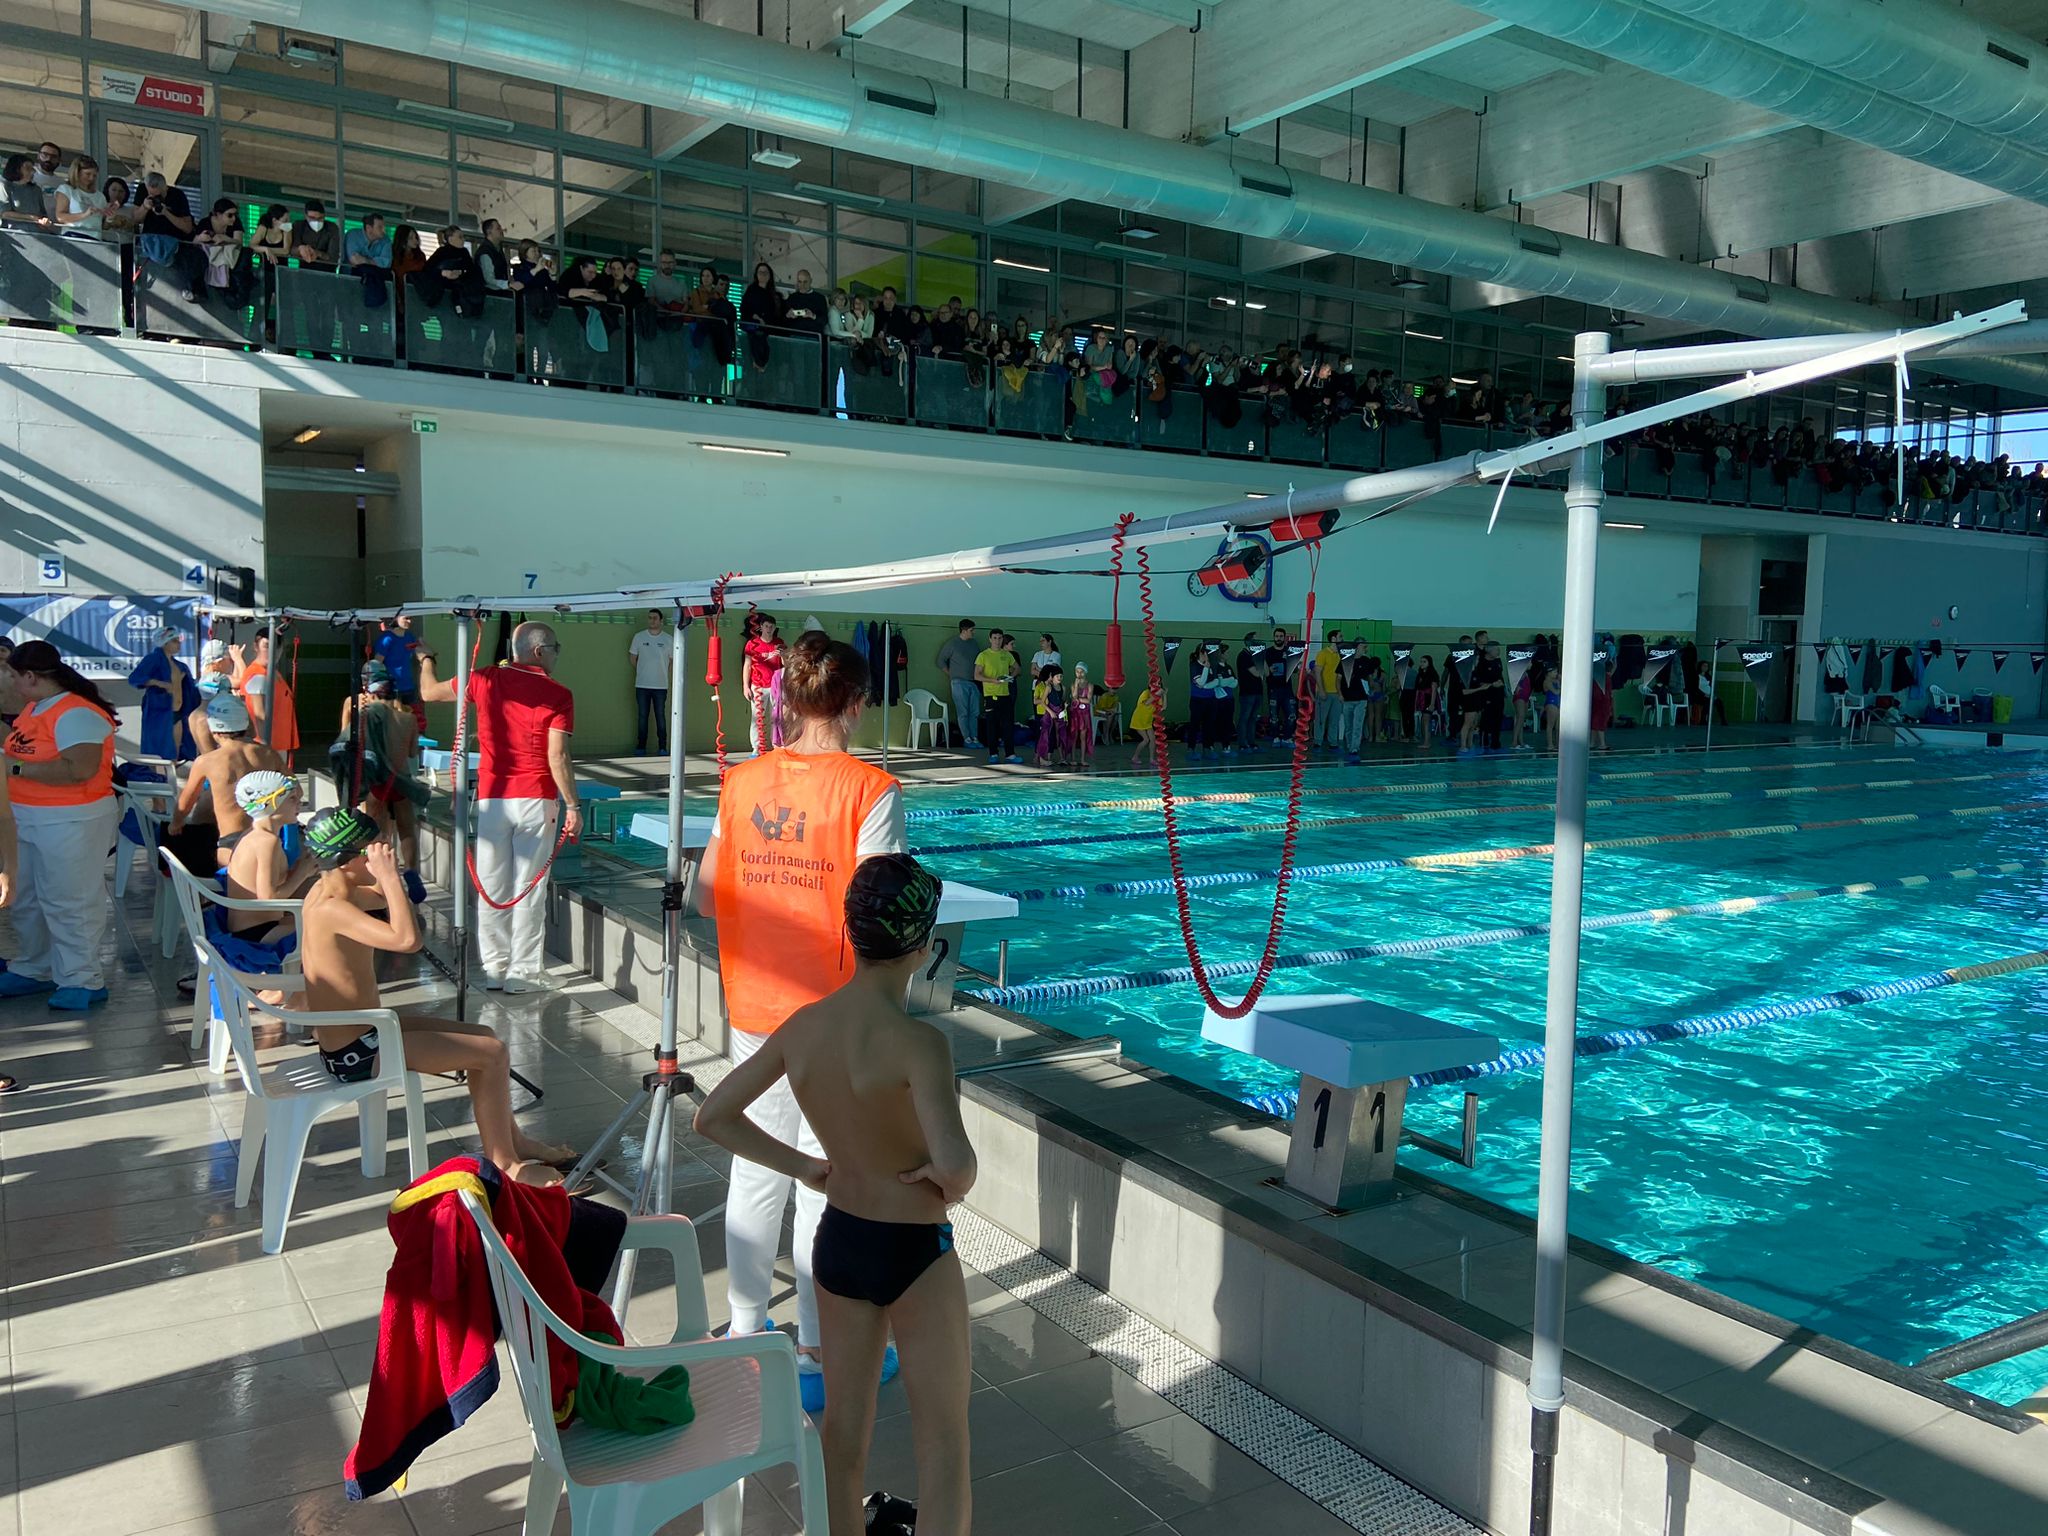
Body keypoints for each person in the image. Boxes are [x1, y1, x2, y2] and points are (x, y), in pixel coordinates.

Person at [695, 854, 974, 1536]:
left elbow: (714, 1117)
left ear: (849, 932)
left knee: (843, 1435)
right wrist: (943, 1180)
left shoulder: (804, 1026)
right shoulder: (920, 1045)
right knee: (943, 1445)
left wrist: (805, 1167)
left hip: (841, 1239)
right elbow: (956, 1167)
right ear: (922, 946)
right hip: (915, 1250)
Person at [693, 631, 908, 1413]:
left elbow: (706, 892)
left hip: (755, 1004)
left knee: (758, 1167)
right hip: (832, 1015)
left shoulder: (741, 782)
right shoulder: (870, 789)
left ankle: (746, 1328)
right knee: (825, 1172)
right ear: (856, 704)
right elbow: (877, 913)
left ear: (786, 697)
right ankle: (819, 1346)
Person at [297, 808, 573, 1183]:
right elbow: (407, 940)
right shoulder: (332, 908)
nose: (384, 852)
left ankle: (516, 1143)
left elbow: (380, 898)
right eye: (374, 849)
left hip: (365, 1035)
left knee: (486, 1037)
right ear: (348, 862)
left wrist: (386, 878)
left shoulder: (329, 890)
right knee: (490, 1055)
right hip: (357, 1054)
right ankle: (506, 1164)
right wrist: (389, 876)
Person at [418, 621, 579, 991]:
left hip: (493, 798)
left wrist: (426, 659)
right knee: (528, 888)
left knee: (492, 884)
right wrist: (573, 805)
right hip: (536, 798)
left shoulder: (483, 679)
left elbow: (428, 692)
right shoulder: (558, 694)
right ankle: (523, 974)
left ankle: (494, 968)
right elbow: (557, 756)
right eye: (555, 648)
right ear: (539, 651)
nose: (556, 655)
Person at [0, 640, 119, 1009]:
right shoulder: (36, 707)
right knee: (27, 899)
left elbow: (78, 769)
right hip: (29, 817)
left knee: (70, 901)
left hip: (72, 820)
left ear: (30, 676)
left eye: (12, 675)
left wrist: (12, 767)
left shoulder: (76, 713)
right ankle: (35, 967)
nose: (9, 682)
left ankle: (82, 979)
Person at [335, 661, 428, 904]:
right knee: (407, 830)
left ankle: (382, 878)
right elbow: (412, 752)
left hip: (375, 778)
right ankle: (411, 872)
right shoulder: (407, 716)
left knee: (378, 831)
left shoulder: (358, 708)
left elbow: (345, 738)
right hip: (401, 779)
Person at [168, 691, 288, 874]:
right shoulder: (268, 754)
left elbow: (185, 803)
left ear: (213, 730)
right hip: (268, 838)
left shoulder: (207, 761)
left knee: (229, 886)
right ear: (246, 724)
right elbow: (296, 790)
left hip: (232, 843)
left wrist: (175, 823)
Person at [220, 770, 317, 942]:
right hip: (257, 933)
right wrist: (302, 873)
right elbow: (269, 899)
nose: (299, 803)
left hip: (251, 926)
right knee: (330, 926)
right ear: (270, 804)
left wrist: (302, 868)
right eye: (292, 798)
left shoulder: (251, 834)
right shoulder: (267, 842)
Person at [126, 626, 199, 761]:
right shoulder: (153, 659)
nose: (179, 644)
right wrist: (158, 683)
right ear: (164, 643)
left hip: (178, 712)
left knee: (175, 753)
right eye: (174, 641)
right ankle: (156, 773)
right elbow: (135, 678)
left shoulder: (179, 665)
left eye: (179, 640)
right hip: (160, 712)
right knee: (158, 753)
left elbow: (190, 689)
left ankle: (172, 772)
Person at [234, 630, 301, 762]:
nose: (272, 651)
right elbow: (259, 715)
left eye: (276, 647)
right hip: (267, 746)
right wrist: (265, 749)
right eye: (266, 646)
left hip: (278, 743)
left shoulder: (272, 672)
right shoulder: (258, 675)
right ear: (255, 646)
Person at [621, 608, 674, 756]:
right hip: (642, 685)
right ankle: (641, 747)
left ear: (661, 621)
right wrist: (643, 670)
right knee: (642, 716)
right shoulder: (639, 637)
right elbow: (633, 658)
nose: (652, 620)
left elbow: (671, 661)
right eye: (650, 618)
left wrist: (662, 672)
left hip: (661, 686)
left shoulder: (669, 639)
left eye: (655, 618)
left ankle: (662, 747)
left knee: (660, 716)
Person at [975, 630, 1022, 765]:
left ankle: (1010, 754)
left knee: (1008, 725)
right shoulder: (983, 655)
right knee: (992, 726)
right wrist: (992, 681)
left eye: (1000, 638)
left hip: (1005, 695)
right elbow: (977, 675)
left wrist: (1010, 677)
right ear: (990, 639)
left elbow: (1017, 668)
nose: (997, 640)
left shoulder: (1006, 654)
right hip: (991, 695)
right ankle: (993, 753)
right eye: (995, 638)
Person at [934, 620, 981, 753]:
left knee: (974, 712)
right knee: (963, 712)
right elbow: (940, 660)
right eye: (971, 630)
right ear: (964, 630)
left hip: (974, 681)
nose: (973, 632)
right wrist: (951, 674)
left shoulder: (974, 643)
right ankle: (966, 738)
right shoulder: (953, 643)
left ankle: (975, 737)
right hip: (959, 682)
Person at [742, 614, 785, 757]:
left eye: (771, 627)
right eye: (766, 626)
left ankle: (777, 745)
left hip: (775, 685)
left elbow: (785, 665)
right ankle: (756, 748)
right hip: (758, 685)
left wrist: (783, 655)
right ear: (761, 627)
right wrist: (746, 686)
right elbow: (747, 665)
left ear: (775, 628)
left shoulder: (779, 643)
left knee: (777, 717)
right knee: (757, 718)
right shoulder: (752, 643)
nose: (769, 629)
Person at [374, 614, 425, 729]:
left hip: (408, 686)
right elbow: (377, 663)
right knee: (393, 720)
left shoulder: (409, 637)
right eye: (406, 618)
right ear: (396, 619)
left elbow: (418, 653)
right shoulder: (387, 639)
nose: (409, 621)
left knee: (411, 719)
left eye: (410, 618)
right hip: (391, 688)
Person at [50, 156, 106, 236]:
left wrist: (110, 218)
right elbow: (60, 217)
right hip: (73, 235)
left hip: (95, 238)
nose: (91, 178)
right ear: (77, 173)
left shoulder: (100, 196)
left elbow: (102, 225)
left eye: (94, 175)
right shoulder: (66, 189)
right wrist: (84, 215)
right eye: (88, 174)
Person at [1312, 630, 1345, 751]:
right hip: (1324, 692)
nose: (1342, 638)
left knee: (1334, 720)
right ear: (1333, 639)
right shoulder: (1323, 653)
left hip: (1337, 693)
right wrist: (1321, 690)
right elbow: (1317, 672)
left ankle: (1333, 743)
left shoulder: (1342, 655)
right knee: (1321, 719)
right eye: (1340, 636)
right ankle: (1318, 742)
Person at [0, 153, 51, 230]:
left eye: (32, 168)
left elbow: (43, 213)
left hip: (37, 233)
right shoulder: (4, 186)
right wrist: (31, 218)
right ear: (16, 169)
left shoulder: (36, 190)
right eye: (28, 168)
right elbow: (4, 213)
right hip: (13, 233)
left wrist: (44, 220)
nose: (33, 172)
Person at [1032, 664, 1069, 769]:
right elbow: (1042, 702)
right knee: (1045, 735)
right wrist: (1051, 712)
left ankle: (1062, 758)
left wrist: (1065, 707)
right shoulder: (1047, 687)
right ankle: (1042, 758)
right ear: (1052, 677)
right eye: (1057, 676)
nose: (1060, 678)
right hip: (1049, 713)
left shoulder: (1063, 688)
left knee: (1061, 734)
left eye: (1061, 676)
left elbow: (1062, 701)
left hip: (1059, 713)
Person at [1068, 661, 1096, 767]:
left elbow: (1088, 700)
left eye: (1081, 672)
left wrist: (1077, 700)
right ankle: (1073, 759)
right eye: (1077, 671)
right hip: (1075, 714)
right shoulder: (1073, 685)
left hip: (1084, 714)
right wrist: (1076, 685)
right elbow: (1074, 696)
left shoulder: (1090, 685)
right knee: (1074, 736)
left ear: (1085, 672)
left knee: (1083, 737)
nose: (1079, 674)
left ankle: (1083, 759)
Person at [1128, 677, 1159, 768]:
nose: (1157, 685)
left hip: (1148, 721)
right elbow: (1146, 703)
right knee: (1146, 740)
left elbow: (1163, 707)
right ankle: (1135, 757)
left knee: (1153, 739)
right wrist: (1157, 694)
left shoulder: (1158, 696)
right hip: (1139, 720)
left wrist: (1164, 695)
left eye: (1159, 683)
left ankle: (1152, 759)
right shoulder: (1146, 693)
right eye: (1155, 683)